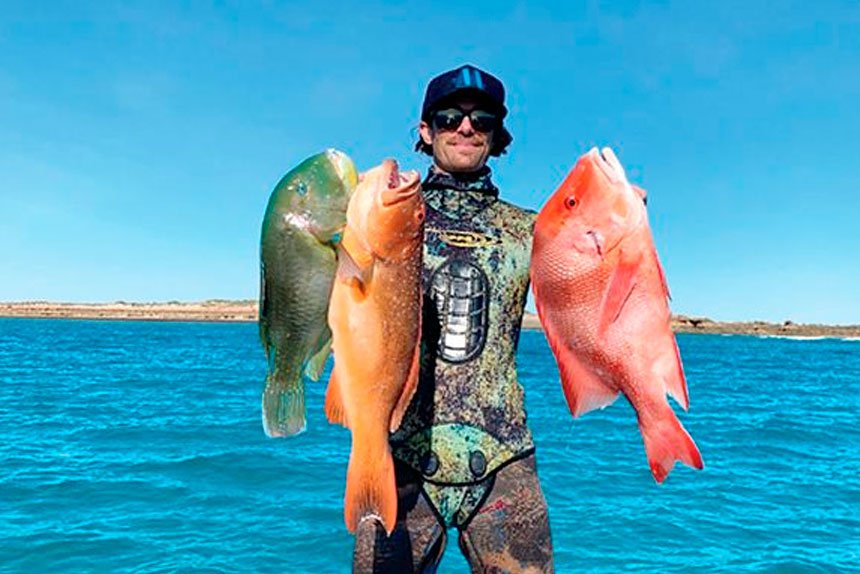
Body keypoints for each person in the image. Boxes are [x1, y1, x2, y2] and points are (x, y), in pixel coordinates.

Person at [352, 64, 554, 573]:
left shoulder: (531, 229)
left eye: (481, 121)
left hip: (504, 458)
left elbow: (596, 289)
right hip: (397, 456)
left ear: (497, 136)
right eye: (449, 117)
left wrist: (620, 220)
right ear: (426, 131)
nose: (465, 128)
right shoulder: (386, 213)